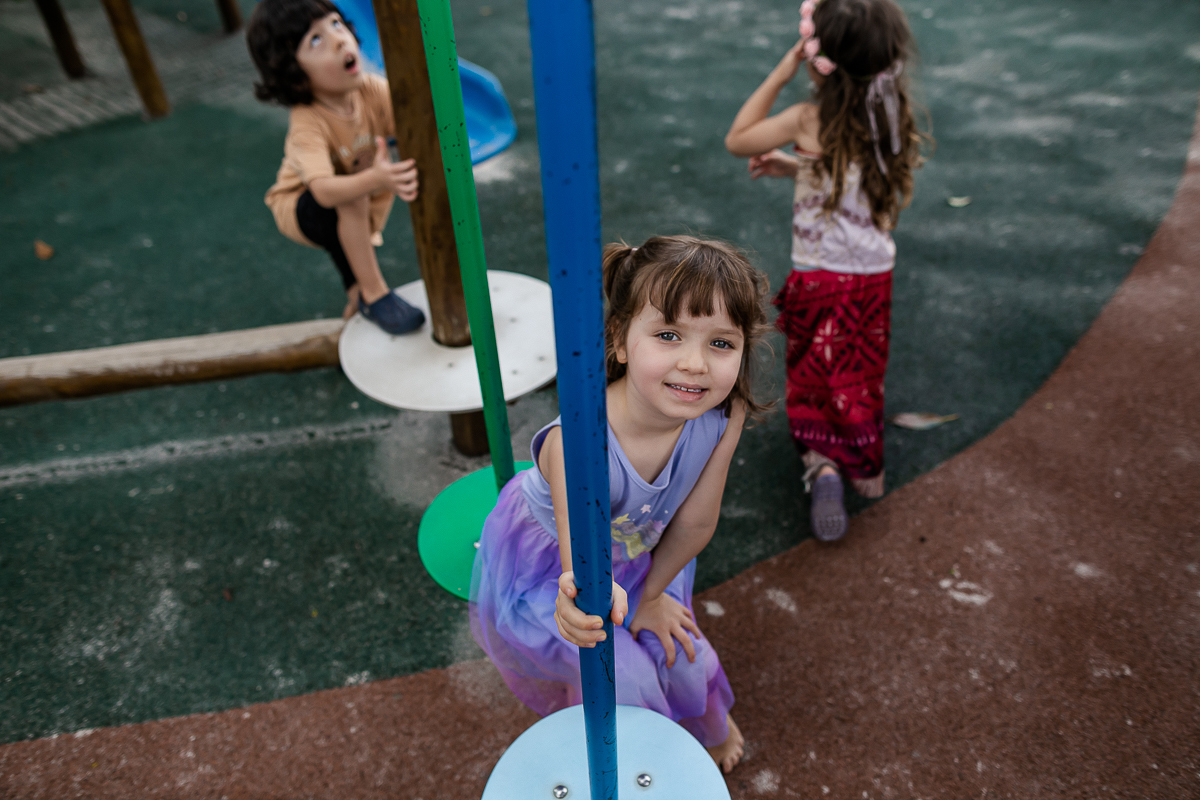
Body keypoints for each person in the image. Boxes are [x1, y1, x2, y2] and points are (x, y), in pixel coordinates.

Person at [470, 235, 770, 773]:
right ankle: (644, 764)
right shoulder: (581, 445)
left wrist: (653, 594)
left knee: (688, 659)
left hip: (642, 559)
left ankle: (707, 724)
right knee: (626, 678)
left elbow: (698, 520)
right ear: (620, 341)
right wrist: (577, 598)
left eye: (721, 343)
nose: (696, 363)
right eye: (669, 335)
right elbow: (576, 567)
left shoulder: (724, 415)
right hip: (555, 571)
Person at [724, 0, 928, 541]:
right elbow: (860, 186)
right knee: (859, 369)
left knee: (814, 373)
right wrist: (800, 168)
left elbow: (739, 137)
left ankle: (824, 465)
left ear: (818, 58)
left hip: (819, 280)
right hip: (871, 278)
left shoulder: (810, 117)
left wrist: (783, 70)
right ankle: (862, 459)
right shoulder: (893, 109)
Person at [247, 0, 425, 334]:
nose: (338, 40)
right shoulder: (307, 121)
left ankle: (353, 319)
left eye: (336, 24)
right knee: (351, 198)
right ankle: (375, 295)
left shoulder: (372, 90)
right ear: (292, 71)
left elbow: (411, 125)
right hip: (302, 205)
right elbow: (324, 192)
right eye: (315, 40)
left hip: (351, 200)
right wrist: (376, 178)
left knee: (354, 261)